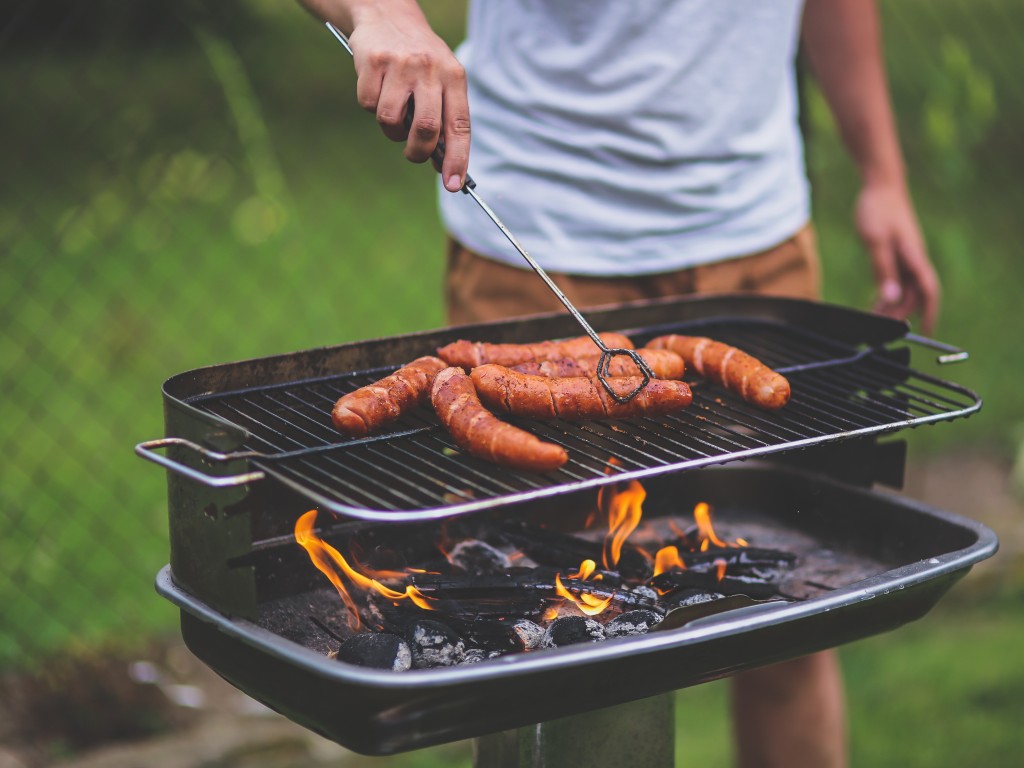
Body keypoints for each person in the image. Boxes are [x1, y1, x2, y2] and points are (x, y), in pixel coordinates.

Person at [300, 1, 941, 765]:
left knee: (790, 616)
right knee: (538, 634)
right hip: (536, 235)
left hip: (755, 238)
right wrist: (381, 13)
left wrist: (883, 174)